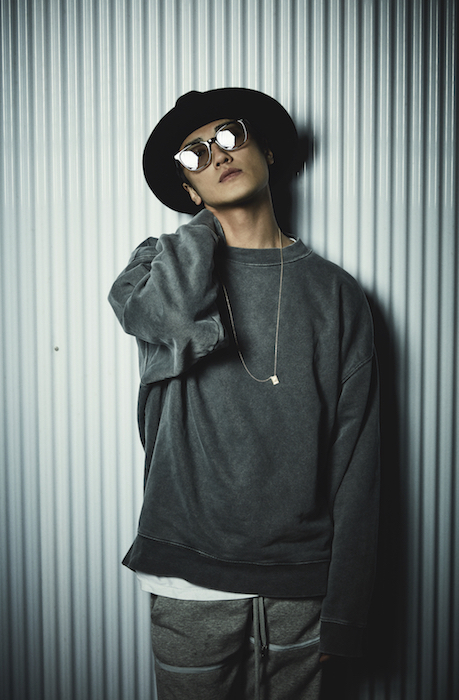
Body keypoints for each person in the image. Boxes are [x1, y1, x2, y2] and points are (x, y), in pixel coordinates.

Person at [108, 88, 380, 700]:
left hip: (302, 584)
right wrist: (206, 227)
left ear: (267, 150)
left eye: (230, 136)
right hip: (189, 577)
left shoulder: (336, 294)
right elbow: (169, 319)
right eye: (195, 154)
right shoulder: (158, 269)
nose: (218, 154)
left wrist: (347, 608)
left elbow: (358, 457)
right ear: (188, 189)